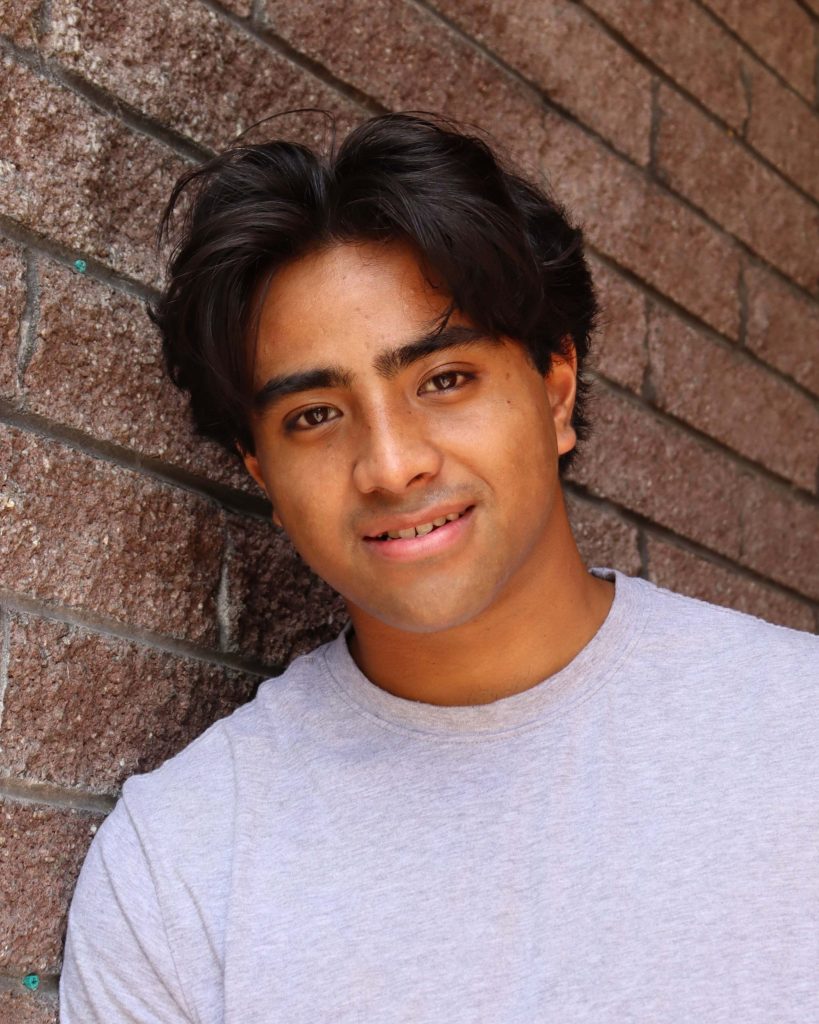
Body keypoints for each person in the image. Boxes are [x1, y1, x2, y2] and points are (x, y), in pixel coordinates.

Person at [60, 113, 817, 1023]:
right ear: (262, 474)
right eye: (313, 416)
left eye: (444, 380)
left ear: (555, 390)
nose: (391, 466)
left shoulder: (794, 735)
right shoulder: (179, 866)